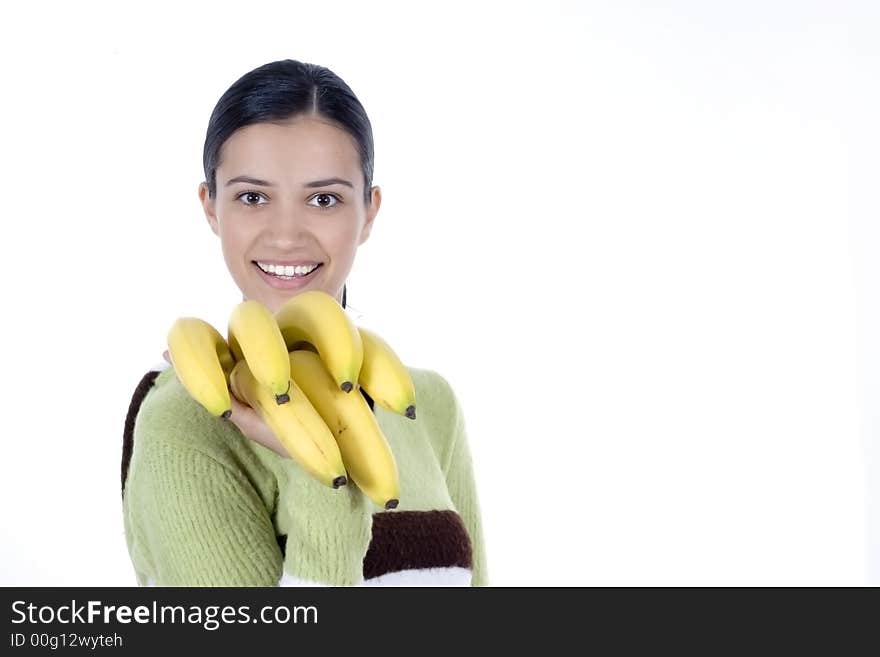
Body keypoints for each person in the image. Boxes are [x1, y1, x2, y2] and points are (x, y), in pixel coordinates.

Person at [120, 59, 488, 586]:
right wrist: (321, 479)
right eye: (252, 197)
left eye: (323, 199)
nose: (287, 235)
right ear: (211, 207)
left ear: (369, 210)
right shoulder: (188, 419)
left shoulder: (425, 405)